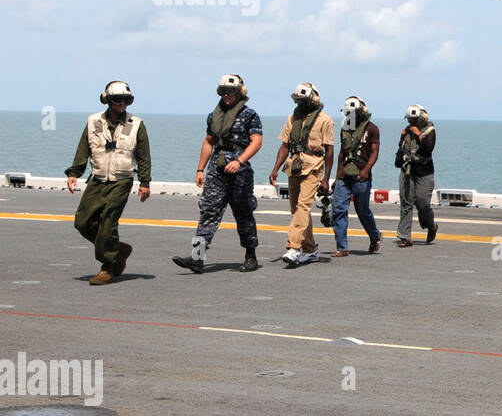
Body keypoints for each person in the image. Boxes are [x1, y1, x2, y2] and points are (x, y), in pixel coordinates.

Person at [172, 74, 262, 274]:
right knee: (208, 211)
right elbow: (209, 142)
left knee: (243, 212)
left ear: (239, 93)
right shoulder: (214, 116)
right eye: (223, 92)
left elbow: (256, 142)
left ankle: (250, 256)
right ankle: (197, 259)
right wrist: (200, 169)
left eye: (231, 92)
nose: (227, 96)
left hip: (240, 173)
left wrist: (239, 161)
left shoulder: (250, 115)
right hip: (216, 170)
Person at [65, 80, 151, 285]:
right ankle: (119, 249)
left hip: (122, 180)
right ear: (108, 100)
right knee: (82, 222)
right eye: (118, 100)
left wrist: (144, 182)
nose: (122, 104)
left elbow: (144, 155)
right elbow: (83, 149)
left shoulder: (136, 124)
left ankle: (108, 266)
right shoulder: (93, 121)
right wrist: (74, 173)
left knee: (108, 221)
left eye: (126, 100)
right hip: (98, 178)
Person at [268, 83, 334, 267]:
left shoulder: (325, 120)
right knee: (296, 210)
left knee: (303, 206)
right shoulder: (292, 118)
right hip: (294, 166)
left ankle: (294, 247)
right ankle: (311, 250)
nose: (299, 104)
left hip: (314, 166)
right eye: (297, 101)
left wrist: (326, 179)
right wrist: (275, 169)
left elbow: (329, 150)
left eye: (303, 101)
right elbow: (285, 145)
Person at [331, 95, 382, 256]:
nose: (350, 117)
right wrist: (337, 174)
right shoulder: (345, 128)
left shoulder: (372, 128)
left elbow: (374, 152)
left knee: (362, 210)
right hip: (345, 174)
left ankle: (375, 236)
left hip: (362, 174)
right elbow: (342, 152)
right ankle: (342, 247)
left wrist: (366, 169)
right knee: (338, 208)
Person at [394, 104, 437, 247]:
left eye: (415, 120)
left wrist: (418, 134)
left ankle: (431, 226)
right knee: (406, 203)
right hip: (408, 172)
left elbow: (427, 149)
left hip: (424, 173)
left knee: (423, 203)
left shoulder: (430, 131)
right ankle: (404, 236)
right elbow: (401, 147)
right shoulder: (406, 131)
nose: (412, 123)